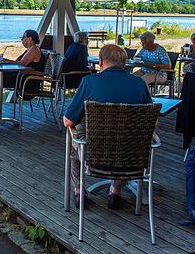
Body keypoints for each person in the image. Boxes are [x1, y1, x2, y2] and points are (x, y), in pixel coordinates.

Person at [63, 44, 152, 210]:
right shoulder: (139, 84)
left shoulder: (90, 81)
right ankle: (115, 190)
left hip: (93, 156)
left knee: (73, 136)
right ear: (124, 64)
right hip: (131, 159)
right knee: (130, 141)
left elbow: (68, 121)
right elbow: (154, 122)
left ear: (100, 61)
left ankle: (78, 189)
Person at [0, 29, 45, 116]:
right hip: (23, 77)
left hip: (27, 82)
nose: (21, 40)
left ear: (29, 39)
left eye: (23, 37)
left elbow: (22, 64)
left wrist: (4, 60)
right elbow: (17, 62)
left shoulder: (34, 49)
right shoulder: (30, 49)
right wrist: (4, 61)